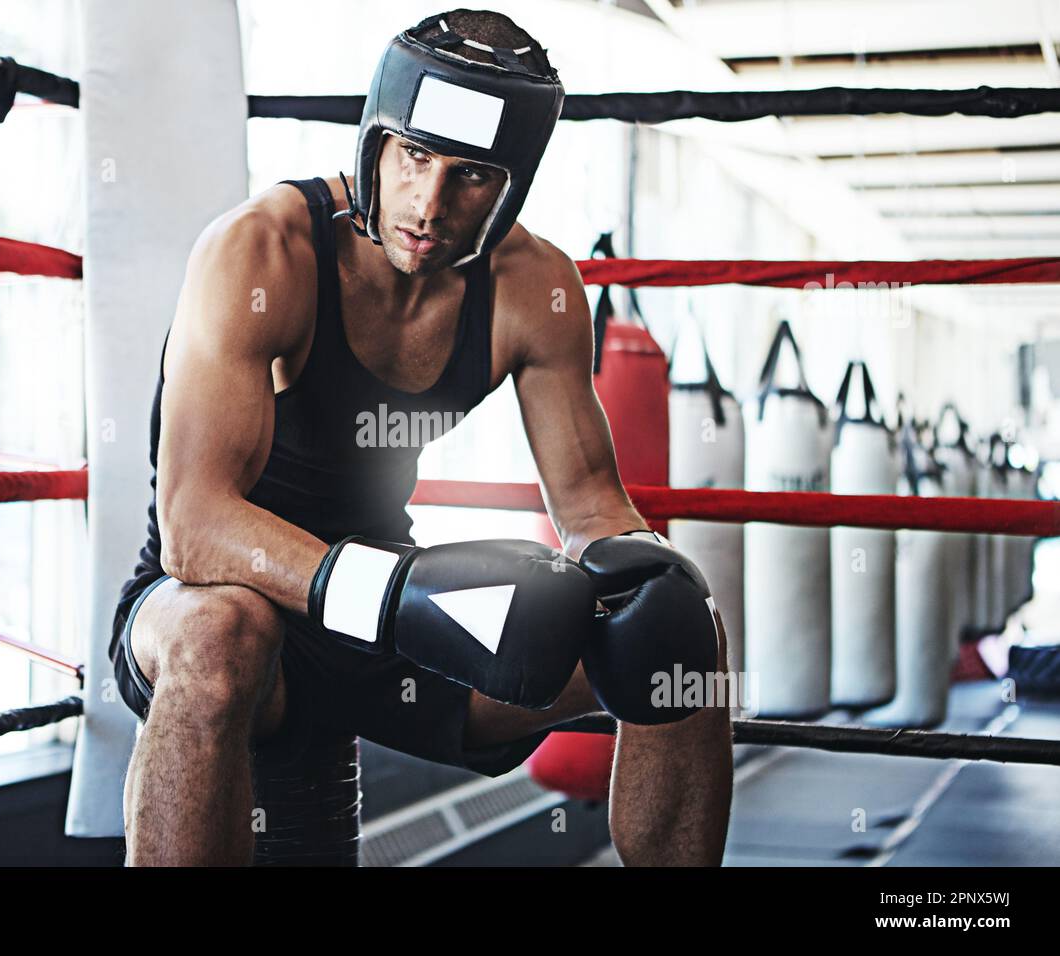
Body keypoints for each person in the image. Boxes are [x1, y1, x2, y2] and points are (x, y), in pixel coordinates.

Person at [110, 9, 733, 866]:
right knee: (223, 632)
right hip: (217, 600)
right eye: (414, 156)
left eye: (470, 176)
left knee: (676, 632)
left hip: (378, 629)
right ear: (373, 143)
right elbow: (194, 525)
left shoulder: (536, 289)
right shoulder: (263, 252)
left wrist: (645, 584)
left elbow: (594, 508)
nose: (429, 204)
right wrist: (391, 594)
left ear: (512, 183)